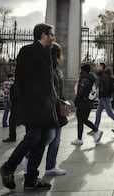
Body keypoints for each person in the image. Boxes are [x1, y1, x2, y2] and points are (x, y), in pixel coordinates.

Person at [0, 23, 59, 191]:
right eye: (51, 34)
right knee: (33, 137)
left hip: (46, 105)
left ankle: (31, 178)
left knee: (44, 138)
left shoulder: (47, 53)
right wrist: (37, 96)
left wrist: (55, 100)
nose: (53, 37)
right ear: (43, 35)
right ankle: (9, 167)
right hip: (33, 104)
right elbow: (22, 79)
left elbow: (49, 81)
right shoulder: (27, 51)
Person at [44, 42, 68, 174]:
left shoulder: (56, 68)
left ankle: (50, 166)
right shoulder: (47, 68)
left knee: (56, 138)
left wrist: (64, 103)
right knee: (49, 137)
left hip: (57, 107)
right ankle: (28, 156)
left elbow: (59, 89)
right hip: (49, 107)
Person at [72, 63, 102, 146]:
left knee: (81, 120)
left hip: (83, 103)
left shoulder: (84, 80)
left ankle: (80, 138)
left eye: (80, 69)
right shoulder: (90, 79)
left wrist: (76, 101)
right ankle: (94, 131)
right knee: (83, 120)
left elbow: (80, 93)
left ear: (83, 70)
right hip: (88, 103)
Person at [93, 63, 114, 134]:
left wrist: (103, 95)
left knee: (110, 113)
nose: (97, 67)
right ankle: (95, 128)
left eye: (98, 66)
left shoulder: (104, 75)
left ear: (102, 67)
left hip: (105, 97)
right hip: (103, 97)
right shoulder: (103, 75)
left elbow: (106, 87)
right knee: (98, 112)